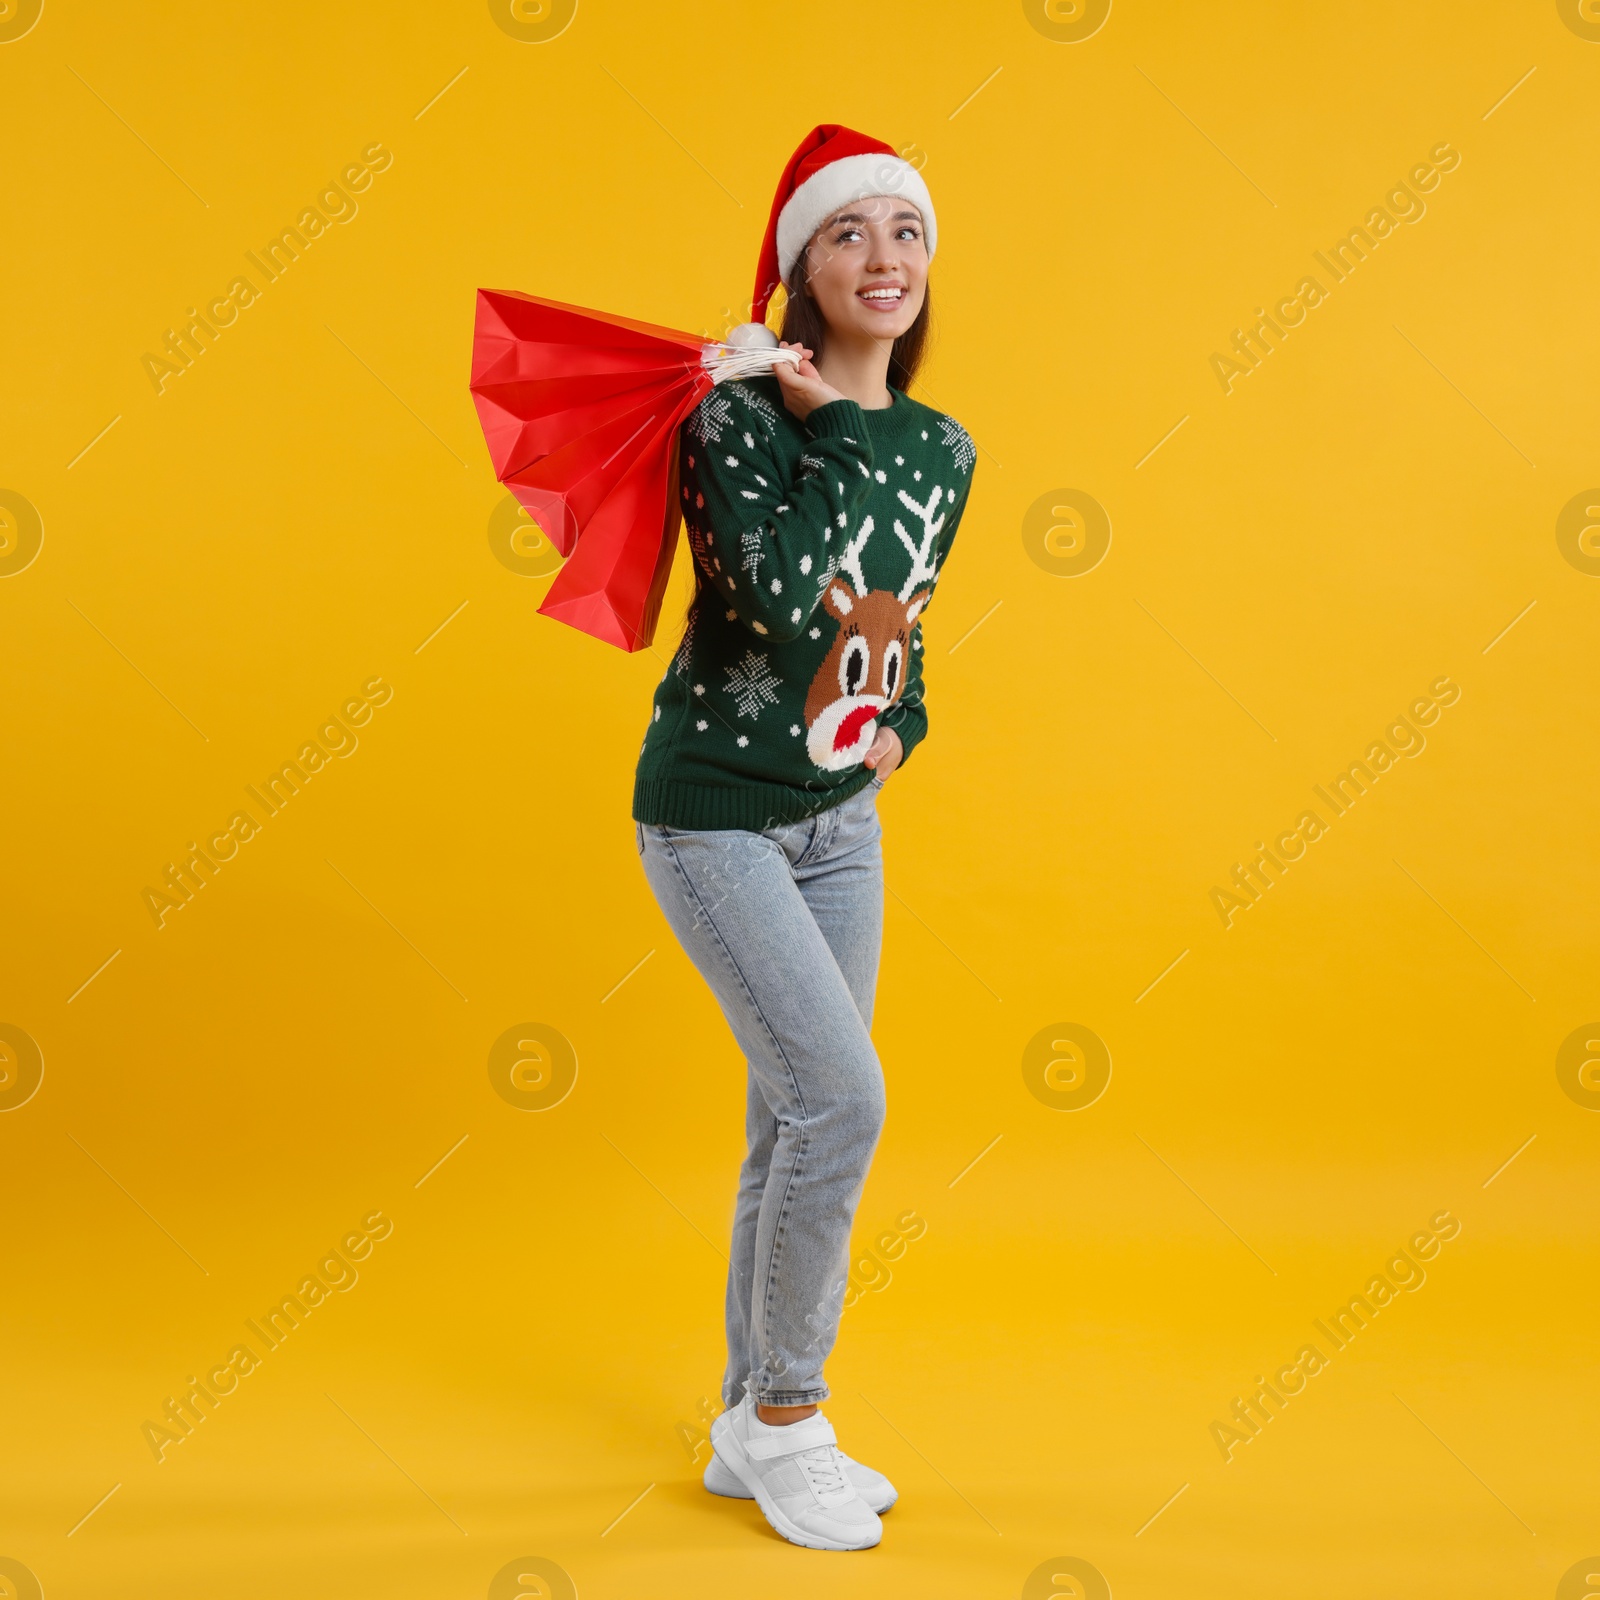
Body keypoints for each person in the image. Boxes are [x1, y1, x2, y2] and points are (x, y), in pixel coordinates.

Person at [632, 124, 976, 1552]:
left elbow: (895, 611)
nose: (881, 256)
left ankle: (741, 1423)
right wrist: (824, 419)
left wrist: (909, 720)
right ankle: (789, 1419)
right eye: (849, 233)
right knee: (844, 1103)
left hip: (840, 823)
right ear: (800, 268)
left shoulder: (945, 444)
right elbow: (777, 599)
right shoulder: (739, 419)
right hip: (716, 818)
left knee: (792, 1118)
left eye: (904, 229)